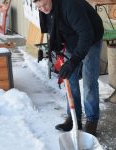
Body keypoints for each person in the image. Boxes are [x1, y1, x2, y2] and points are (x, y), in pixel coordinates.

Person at [33, 0, 104, 136]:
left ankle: (92, 120)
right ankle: (74, 118)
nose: (43, 9)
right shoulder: (43, 9)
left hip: (91, 37)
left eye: (45, 5)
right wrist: (57, 51)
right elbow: (51, 29)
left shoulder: (70, 5)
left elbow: (86, 34)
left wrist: (73, 62)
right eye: (39, 7)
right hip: (71, 38)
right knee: (70, 79)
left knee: (89, 81)